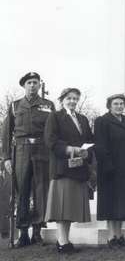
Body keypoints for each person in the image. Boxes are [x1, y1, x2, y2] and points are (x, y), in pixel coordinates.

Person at [1, 72, 55, 247]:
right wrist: (7, 157)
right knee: (21, 190)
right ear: (24, 86)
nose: (32, 85)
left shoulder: (48, 105)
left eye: (35, 82)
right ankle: (23, 232)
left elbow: (53, 131)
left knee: (41, 190)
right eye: (29, 82)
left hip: (43, 151)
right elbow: (6, 134)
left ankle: (37, 231)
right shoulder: (15, 106)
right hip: (21, 150)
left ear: (40, 85)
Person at [44, 87, 94, 254]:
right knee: (61, 209)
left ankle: (63, 241)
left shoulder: (83, 119)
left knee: (70, 208)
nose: (72, 101)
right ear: (62, 100)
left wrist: (87, 152)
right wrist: (69, 149)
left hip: (79, 168)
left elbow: (89, 140)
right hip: (62, 168)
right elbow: (50, 141)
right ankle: (63, 243)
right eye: (69, 98)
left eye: (75, 99)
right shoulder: (55, 116)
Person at [94, 94, 125, 248]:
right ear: (109, 105)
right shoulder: (102, 121)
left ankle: (119, 235)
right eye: (115, 103)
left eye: (122, 103)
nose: (119, 106)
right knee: (111, 204)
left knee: (123, 205)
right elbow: (100, 146)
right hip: (110, 170)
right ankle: (111, 238)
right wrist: (108, 166)